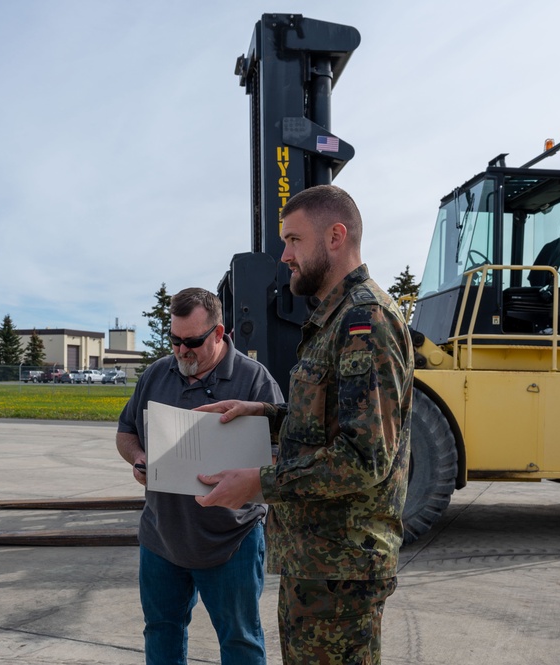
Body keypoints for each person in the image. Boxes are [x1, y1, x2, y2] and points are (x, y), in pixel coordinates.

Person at [195, 184, 415, 664]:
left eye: (294, 240)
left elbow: (364, 459)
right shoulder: (333, 320)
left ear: (335, 237)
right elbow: (328, 423)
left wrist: (259, 483)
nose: (284, 255)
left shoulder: (365, 320)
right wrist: (265, 416)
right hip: (318, 562)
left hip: (342, 567)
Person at [115, 287, 283, 665]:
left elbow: (279, 458)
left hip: (230, 543)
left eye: (191, 341)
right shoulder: (157, 375)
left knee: (241, 642)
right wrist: (139, 457)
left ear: (220, 333)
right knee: (161, 631)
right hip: (161, 540)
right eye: (174, 340)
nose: (180, 350)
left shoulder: (255, 382)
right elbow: (125, 432)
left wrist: (250, 477)